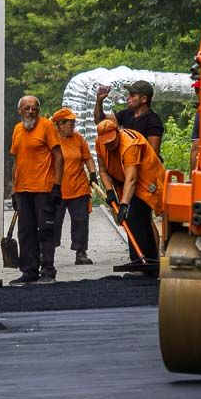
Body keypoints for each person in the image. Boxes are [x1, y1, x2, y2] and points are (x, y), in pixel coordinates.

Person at [9, 96, 63, 284]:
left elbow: (58, 156)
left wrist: (57, 185)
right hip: (23, 190)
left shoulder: (47, 126)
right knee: (25, 232)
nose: (31, 112)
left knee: (46, 230)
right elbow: (16, 161)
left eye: (34, 108)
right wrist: (14, 189)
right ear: (20, 111)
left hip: (44, 188)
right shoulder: (17, 129)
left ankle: (48, 271)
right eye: (27, 108)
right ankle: (29, 272)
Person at [95, 118, 164, 262]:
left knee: (136, 216)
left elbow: (132, 179)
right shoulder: (100, 143)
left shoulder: (130, 144)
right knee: (135, 219)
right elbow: (102, 170)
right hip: (125, 182)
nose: (109, 145)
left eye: (112, 141)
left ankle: (146, 259)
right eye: (106, 142)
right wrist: (110, 192)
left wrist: (124, 205)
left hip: (145, 181)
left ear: (118, 132)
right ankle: (143, 259)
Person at [50, 108, 96, 265]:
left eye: (73, 122)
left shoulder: (78, 138)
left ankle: (81, 252)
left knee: (81, 221)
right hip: (56, 188)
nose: (73, 125)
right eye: (70, 122)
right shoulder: (51, 139)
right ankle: (48, 253)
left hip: (78, 186)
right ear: (60, 124)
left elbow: (88, 158)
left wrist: (93, 174)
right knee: (53, 222)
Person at [94, 80, 164, 156]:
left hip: (144, 165)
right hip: (128, 160)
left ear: (144, 99)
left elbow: (154, 153)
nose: (128, 98)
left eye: (132, 95)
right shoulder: (127, 114)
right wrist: (99, 101)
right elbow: (100, 121)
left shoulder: (153, 120)